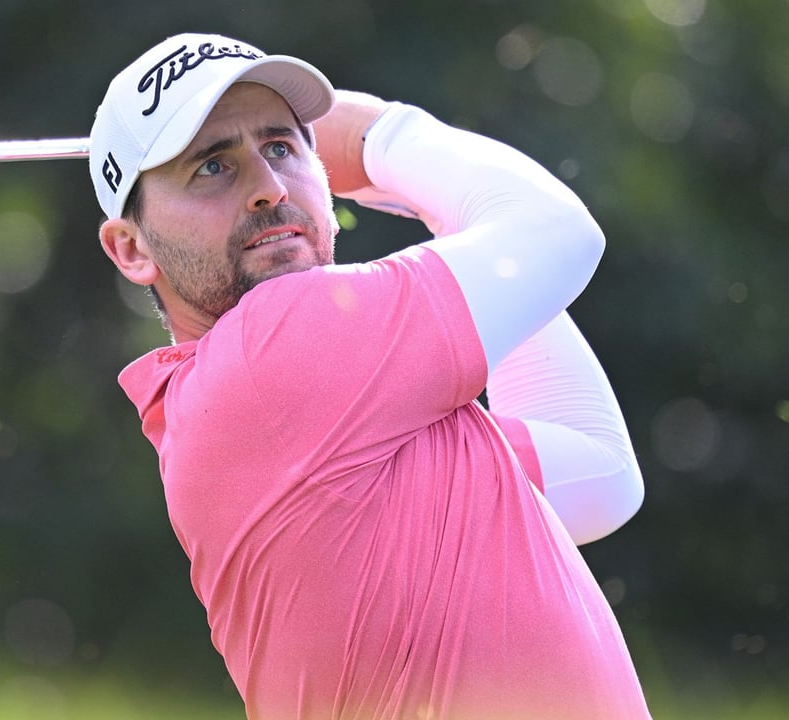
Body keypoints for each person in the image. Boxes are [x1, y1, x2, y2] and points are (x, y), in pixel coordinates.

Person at [88, 33, 651, 720]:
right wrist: (386, 135)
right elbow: (558, 231)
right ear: (131, 248)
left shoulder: (338, 413)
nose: (269, 189)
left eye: (282, 148)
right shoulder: (274, 350)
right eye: (212, 166)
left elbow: (599, 475)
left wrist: (444, 211)